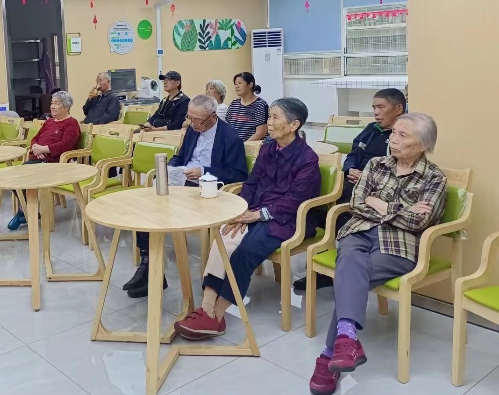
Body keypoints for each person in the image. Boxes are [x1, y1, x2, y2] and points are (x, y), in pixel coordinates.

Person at [308, 113, 447, 395]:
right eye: (393, 132)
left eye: (403, 135)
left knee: (350, 278)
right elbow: (357, 203)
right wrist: (401, 210)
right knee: (350, 261)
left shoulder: (435, 178)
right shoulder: (375, 164)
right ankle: (345, 341)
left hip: (399, 245)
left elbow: (419, 222)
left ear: (423, 144)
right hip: (358, 232)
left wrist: (379, 204)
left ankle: (330, 353)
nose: (393, 139)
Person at [173, 98, 321, 340]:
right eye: (269, 116)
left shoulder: (307, 158)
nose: (269, 122)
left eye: (275, 118)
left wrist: (258, 215)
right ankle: (206, 307)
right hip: (256, 210)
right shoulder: (268, 148)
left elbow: (295, 201)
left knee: (246, 250)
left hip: (287, 219)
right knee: (224, 236)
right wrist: (240, 211)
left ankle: (218, 315)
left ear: (294, 125)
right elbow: (251, 183)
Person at [123, 94, 248, 298]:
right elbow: (181, 156)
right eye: (189, 117)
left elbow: (238, 174)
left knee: (158, 209)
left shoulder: (230, 137)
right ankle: (148, 265)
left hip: (207, 189)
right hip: (183, 181)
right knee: (147, 207)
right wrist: (171, 168)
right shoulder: (192, 129)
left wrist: (204, 171)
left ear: (212, 117)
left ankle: (150, 271)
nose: (191, 123)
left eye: (197, 120)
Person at [294, 88, 407, 291]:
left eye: (381, 107)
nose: (376, 112)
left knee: (337, 212)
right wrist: (350, 169)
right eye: (374, 107)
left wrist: (366, 178)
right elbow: (354, 153)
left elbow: (398, 170)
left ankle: (335, 269)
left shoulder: (403, 137)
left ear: (398, 108)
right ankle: (319, 256)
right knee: (317, 198)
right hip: (353, 183)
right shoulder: (372, 129)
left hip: (377, 193)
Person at [7, 91, 80, 230]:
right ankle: (27, 211)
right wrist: (35, 147)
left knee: (17, 177)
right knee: (13, 176)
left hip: (53, 163)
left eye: (56, 103)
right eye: (52, 103)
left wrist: (44, 149)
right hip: (38, 159)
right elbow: (35, 137)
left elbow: (66, 144)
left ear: (66, 106)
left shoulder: (72, 123)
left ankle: (25, 212)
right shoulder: (49, 122)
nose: (52, 106)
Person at [226, 72, 269, 141]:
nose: (236, 86)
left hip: (252, 146)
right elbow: (228, 127)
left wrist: (244, 145)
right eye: (235, 84)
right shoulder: (234, 104)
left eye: (240, 83)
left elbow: (261, 132)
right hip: (234, 145)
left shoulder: (260, 105)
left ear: (250, 85)